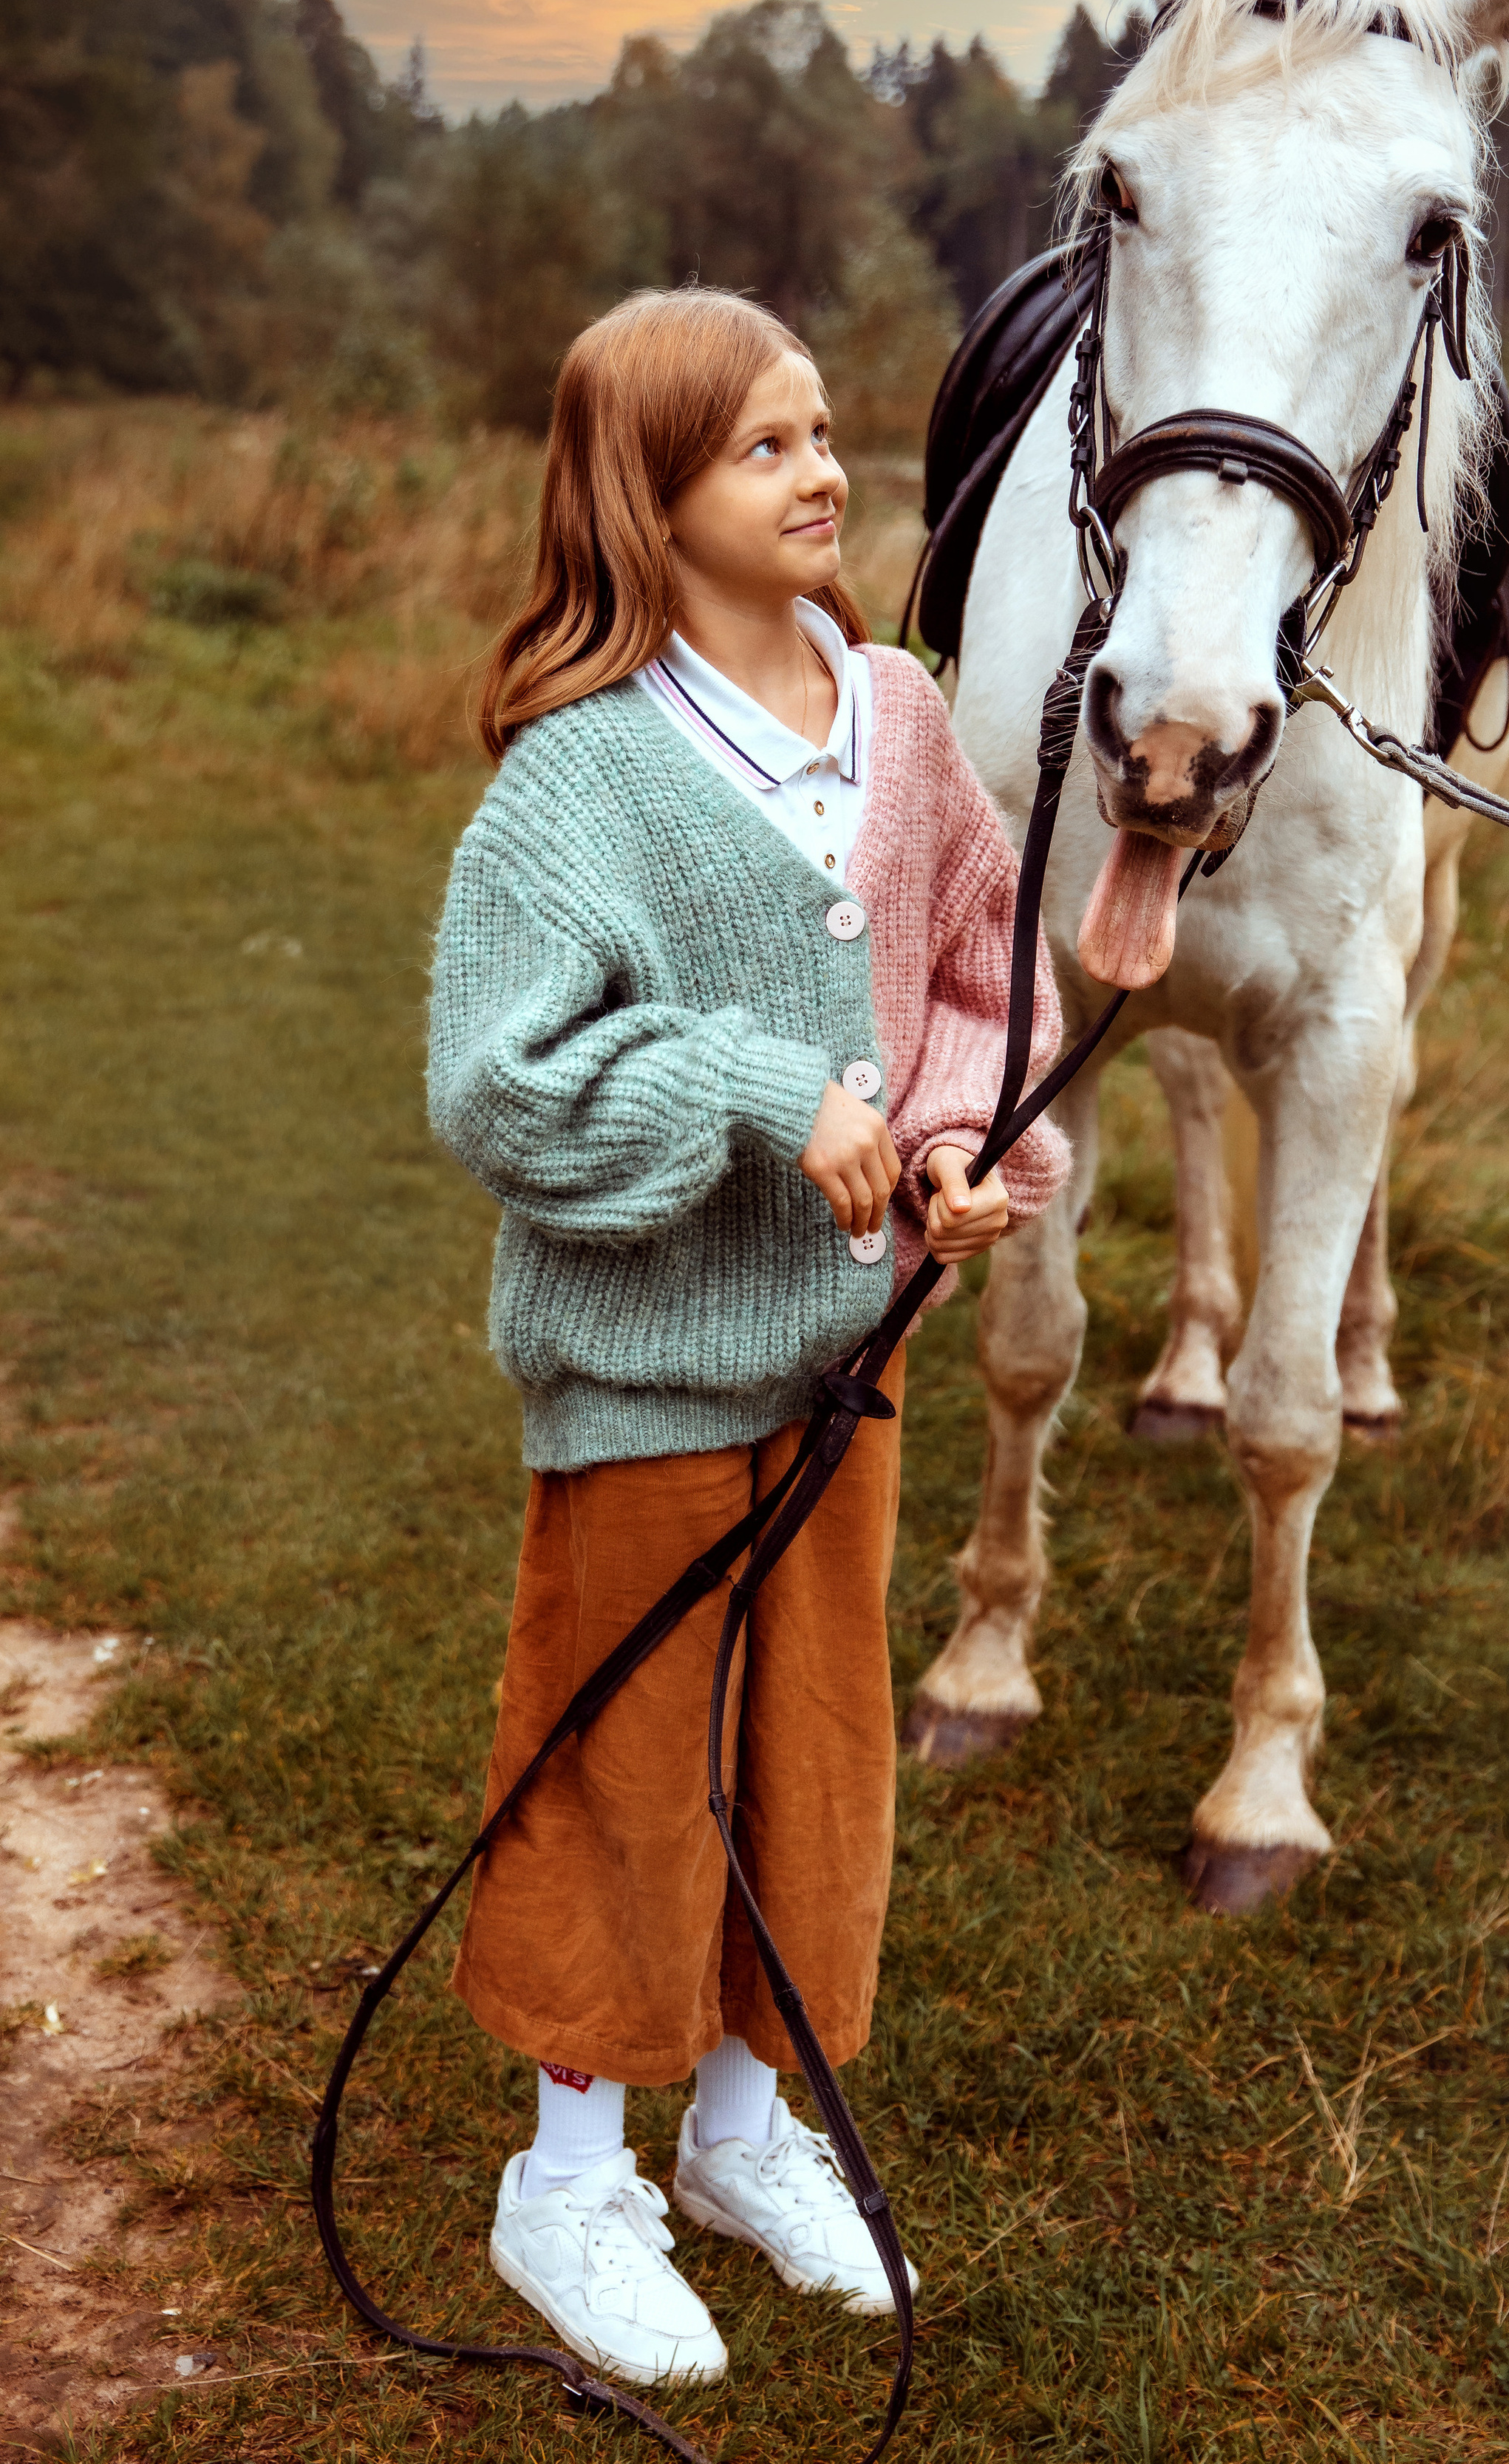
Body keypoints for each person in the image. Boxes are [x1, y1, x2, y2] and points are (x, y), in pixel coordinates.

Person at [427, 287, 1069, 2389]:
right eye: (766, 449)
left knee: (808, 1754)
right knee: (632, 1761)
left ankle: (736, 2131)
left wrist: (956, 1143)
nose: (824, 474)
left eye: (823, 434)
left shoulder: (893, 710)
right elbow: (499, 1085)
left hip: (842, 1365)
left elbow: (972, 964)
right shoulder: (581, 781)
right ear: (651, 497)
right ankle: (568, 2177)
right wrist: (749, 1091)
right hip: (643, 1383)